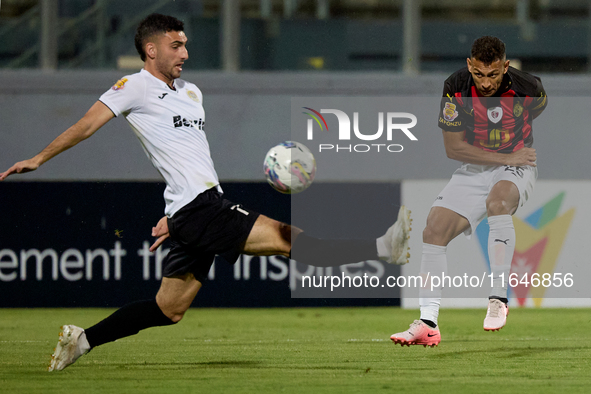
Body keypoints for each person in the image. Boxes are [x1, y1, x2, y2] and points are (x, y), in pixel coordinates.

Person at [0, 14, 411, 371]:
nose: (184, 53)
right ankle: (382, 246)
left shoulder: (192, 95)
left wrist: (173, 213)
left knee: (168, 309)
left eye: (185, 46)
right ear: (150, 49)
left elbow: (186, 158)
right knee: (291, 240)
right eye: (175, 46)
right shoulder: (134, 87)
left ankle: (82, 340)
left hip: (194, 207)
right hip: (202, 209)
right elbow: (87, 125)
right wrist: (39, 158)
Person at [390, 36, 547, 347]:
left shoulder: (531, 88)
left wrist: (511, 157)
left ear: (505, 66)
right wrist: (504, 155)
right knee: (433, 229)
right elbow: (454, 148)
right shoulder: (456, 86)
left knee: (498, 202)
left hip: (517, 167)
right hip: (477, 167)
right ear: (469, 65)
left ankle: (497, 298)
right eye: (478, 74)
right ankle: (428, 323)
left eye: (493, 74)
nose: (485, 82)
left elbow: (532, 115)